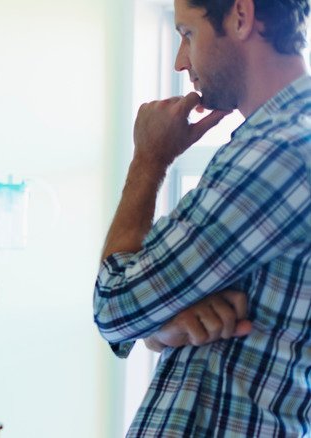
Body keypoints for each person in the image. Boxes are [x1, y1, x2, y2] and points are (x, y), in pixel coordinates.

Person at [93, 0, 311, 435]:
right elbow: (137, 312)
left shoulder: (277, 153)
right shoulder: (279, 140)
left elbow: (114, 303)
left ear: (241, 15)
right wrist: (161, 323)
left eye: (188, 33)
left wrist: (149, 160)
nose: (179, 61)